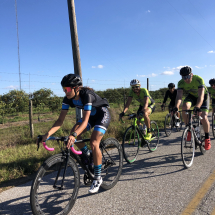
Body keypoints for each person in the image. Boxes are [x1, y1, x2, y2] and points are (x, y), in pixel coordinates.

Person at [37, 74, 111, 194]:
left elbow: (85, 120)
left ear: (76, 88)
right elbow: (60, 120)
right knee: (73, 132)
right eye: (63, 89)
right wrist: (47, 134)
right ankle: (88, 155)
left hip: (102, 115)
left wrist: (74, 135)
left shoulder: (87, 95)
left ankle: (98, 178)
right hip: (91, 117)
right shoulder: (67, 99)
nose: (65, 92)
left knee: (94, 142)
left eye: (67, 89)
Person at [173, 66, 211, 150]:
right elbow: (179, 97)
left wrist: (197, 107)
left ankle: (207, 138)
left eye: (188, 76)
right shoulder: (180, 83)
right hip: (192, 96)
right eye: (184, 77)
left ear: (192, 75)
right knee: (184, 107)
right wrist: (176, 107)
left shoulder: (198, 79)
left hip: (203, 96)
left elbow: (201, 96)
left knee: (204, 117)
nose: (186, 79)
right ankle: (189, 129)